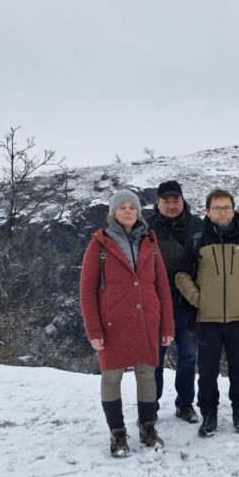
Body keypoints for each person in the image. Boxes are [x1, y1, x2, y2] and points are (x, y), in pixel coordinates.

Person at [80, 189, 175, 457]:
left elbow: (162, 287)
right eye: (122, 207)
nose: (127, 211)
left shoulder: (149, 243)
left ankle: (147, 427)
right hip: (113, 322)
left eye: (132, 207)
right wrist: (93, 330)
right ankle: (117, 432)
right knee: (112, 377)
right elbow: (87, 291)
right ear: (113, 213)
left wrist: (167, 326)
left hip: (147, 320)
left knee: (147, 374)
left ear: (138, 212)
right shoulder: (99, 245)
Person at [175, 189, 239, 437]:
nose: (222, 212)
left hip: (238, 318)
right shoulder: (197, 241)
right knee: (207, 372)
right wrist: (199, 300)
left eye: (226, 207)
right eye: (216, 208)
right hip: (207, 319)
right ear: (207, 211)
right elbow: (182, 275)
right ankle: (209, 414)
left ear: (233, 210)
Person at [148, 180, 203, 424]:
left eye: (175, 200)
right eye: (166, 200)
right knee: (154, 360)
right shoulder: (145, 228)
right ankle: (151, 405)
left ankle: (185, 404)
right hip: (157, 307)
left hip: (188, 305)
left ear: (183, 200)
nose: (171, 205)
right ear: (157, 202)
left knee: (189, 357)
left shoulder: (199, 226)